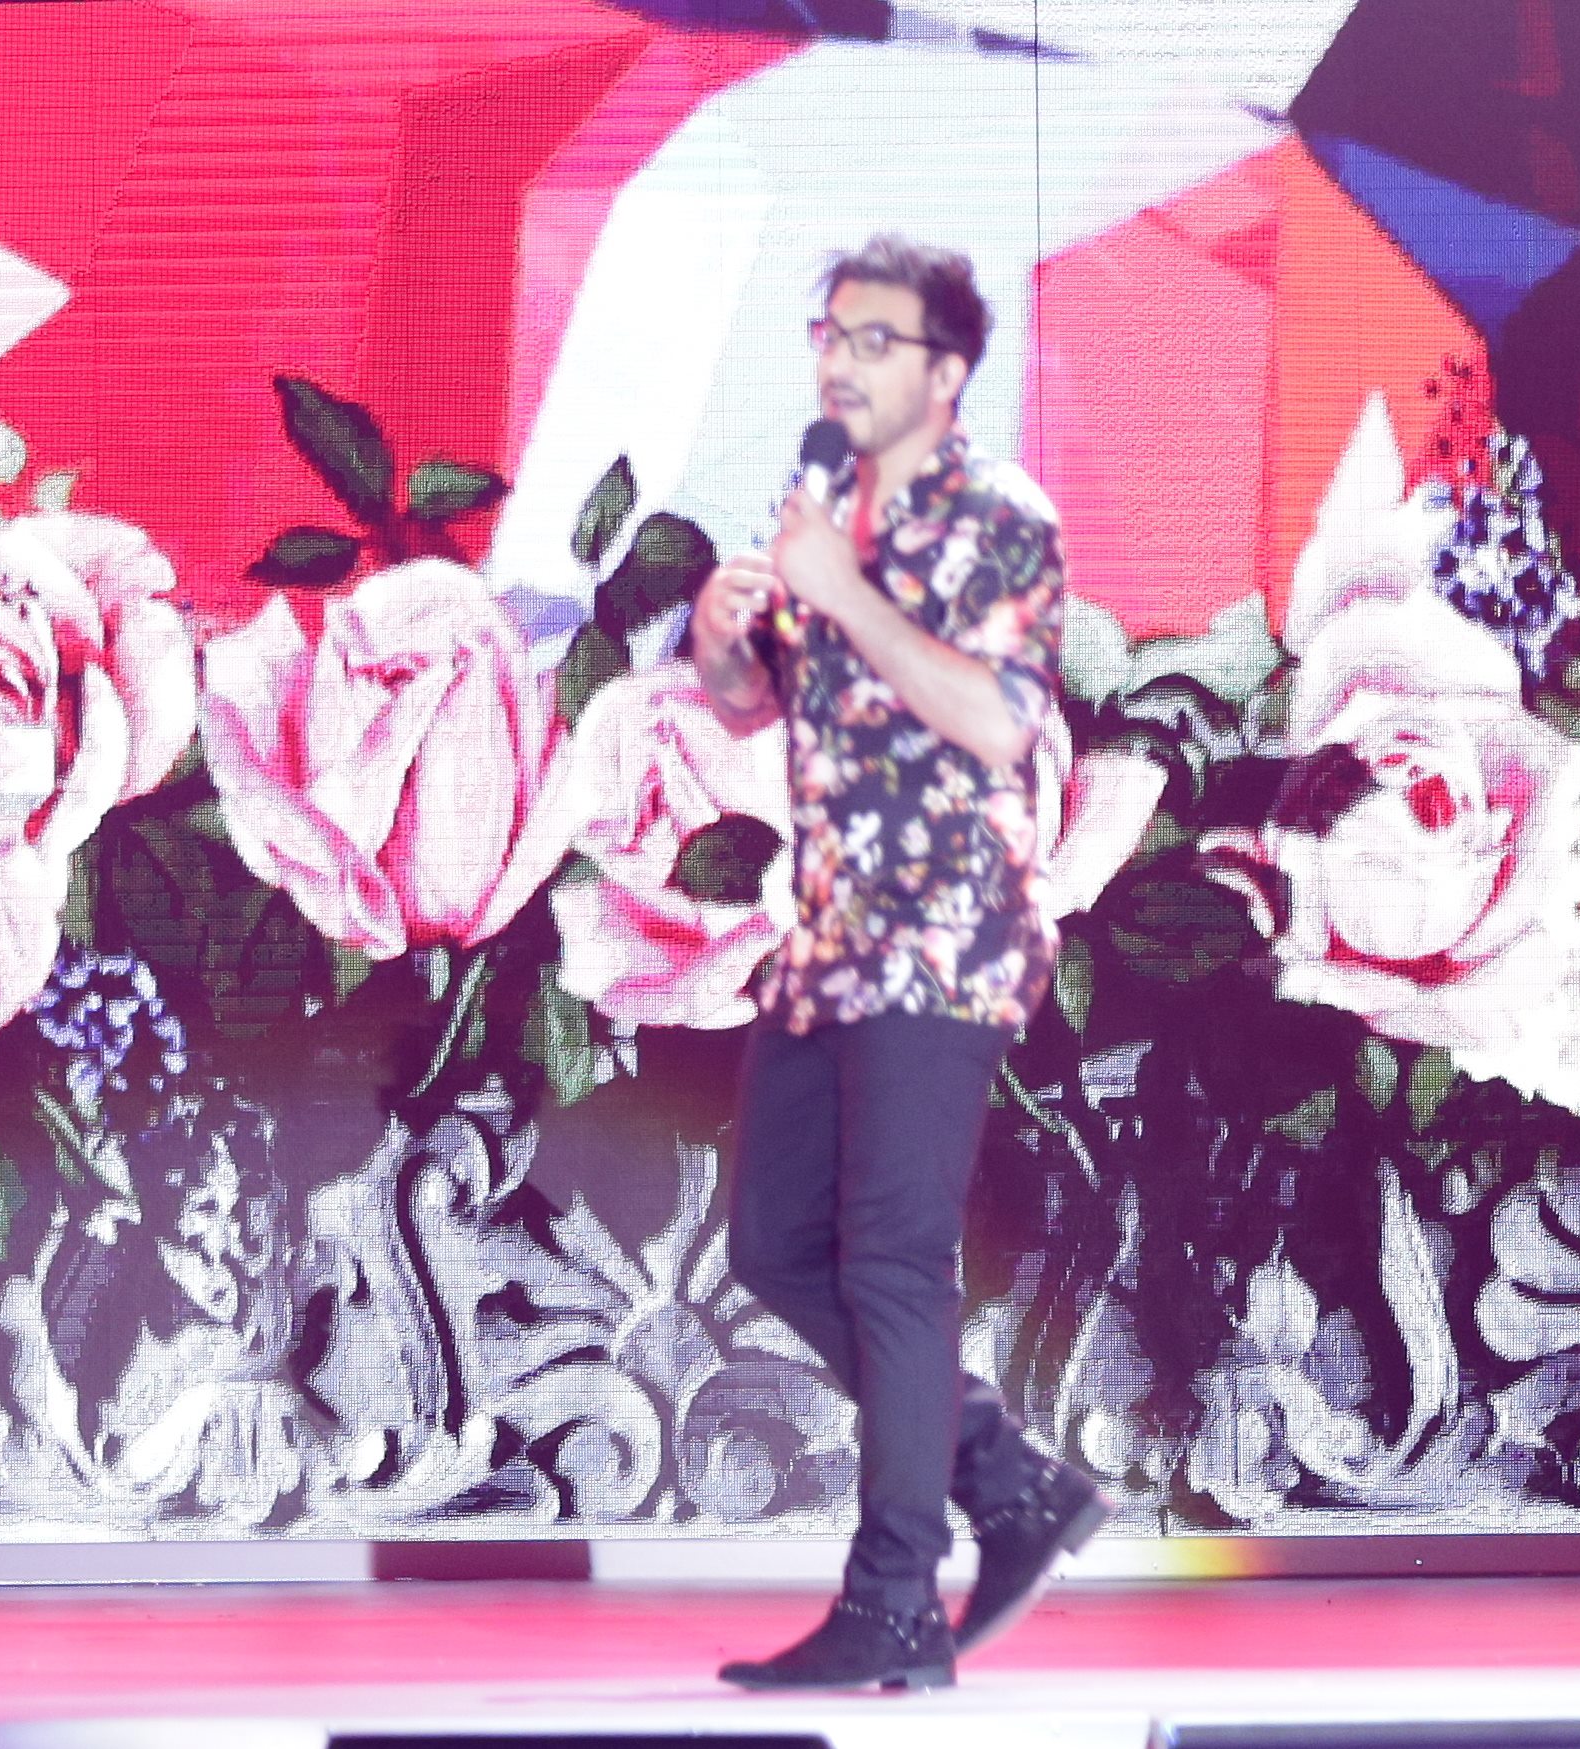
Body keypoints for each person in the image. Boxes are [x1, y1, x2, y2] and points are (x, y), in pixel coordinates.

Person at [693, 235, 1110, 1693]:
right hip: (828, 939)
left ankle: (894, 1606)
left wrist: (847, 590)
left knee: (890, 1257)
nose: (841, 362)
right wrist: (727, 645)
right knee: (772, 1245)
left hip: (943, 936)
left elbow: (996, 720)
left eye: (873, 339)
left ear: (948, 370)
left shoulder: (1000, 515)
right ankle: (1007, 1480)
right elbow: (766, 706)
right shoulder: (824, 512)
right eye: (830, 333)